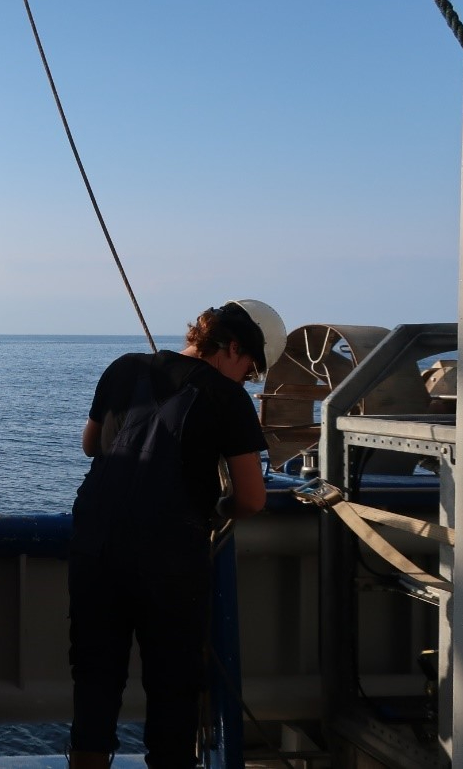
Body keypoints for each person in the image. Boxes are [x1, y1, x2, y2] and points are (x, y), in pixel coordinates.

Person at [66, 299, 286, 769]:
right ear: (231, 347)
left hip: (96, 546)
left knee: (95, 680)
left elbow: (90, 445)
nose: (246, 378)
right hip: (168, 560)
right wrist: (218, 508)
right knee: (173, 686)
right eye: (248, 367)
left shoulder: (123, 368)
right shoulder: (227, 398)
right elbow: (252, 498)